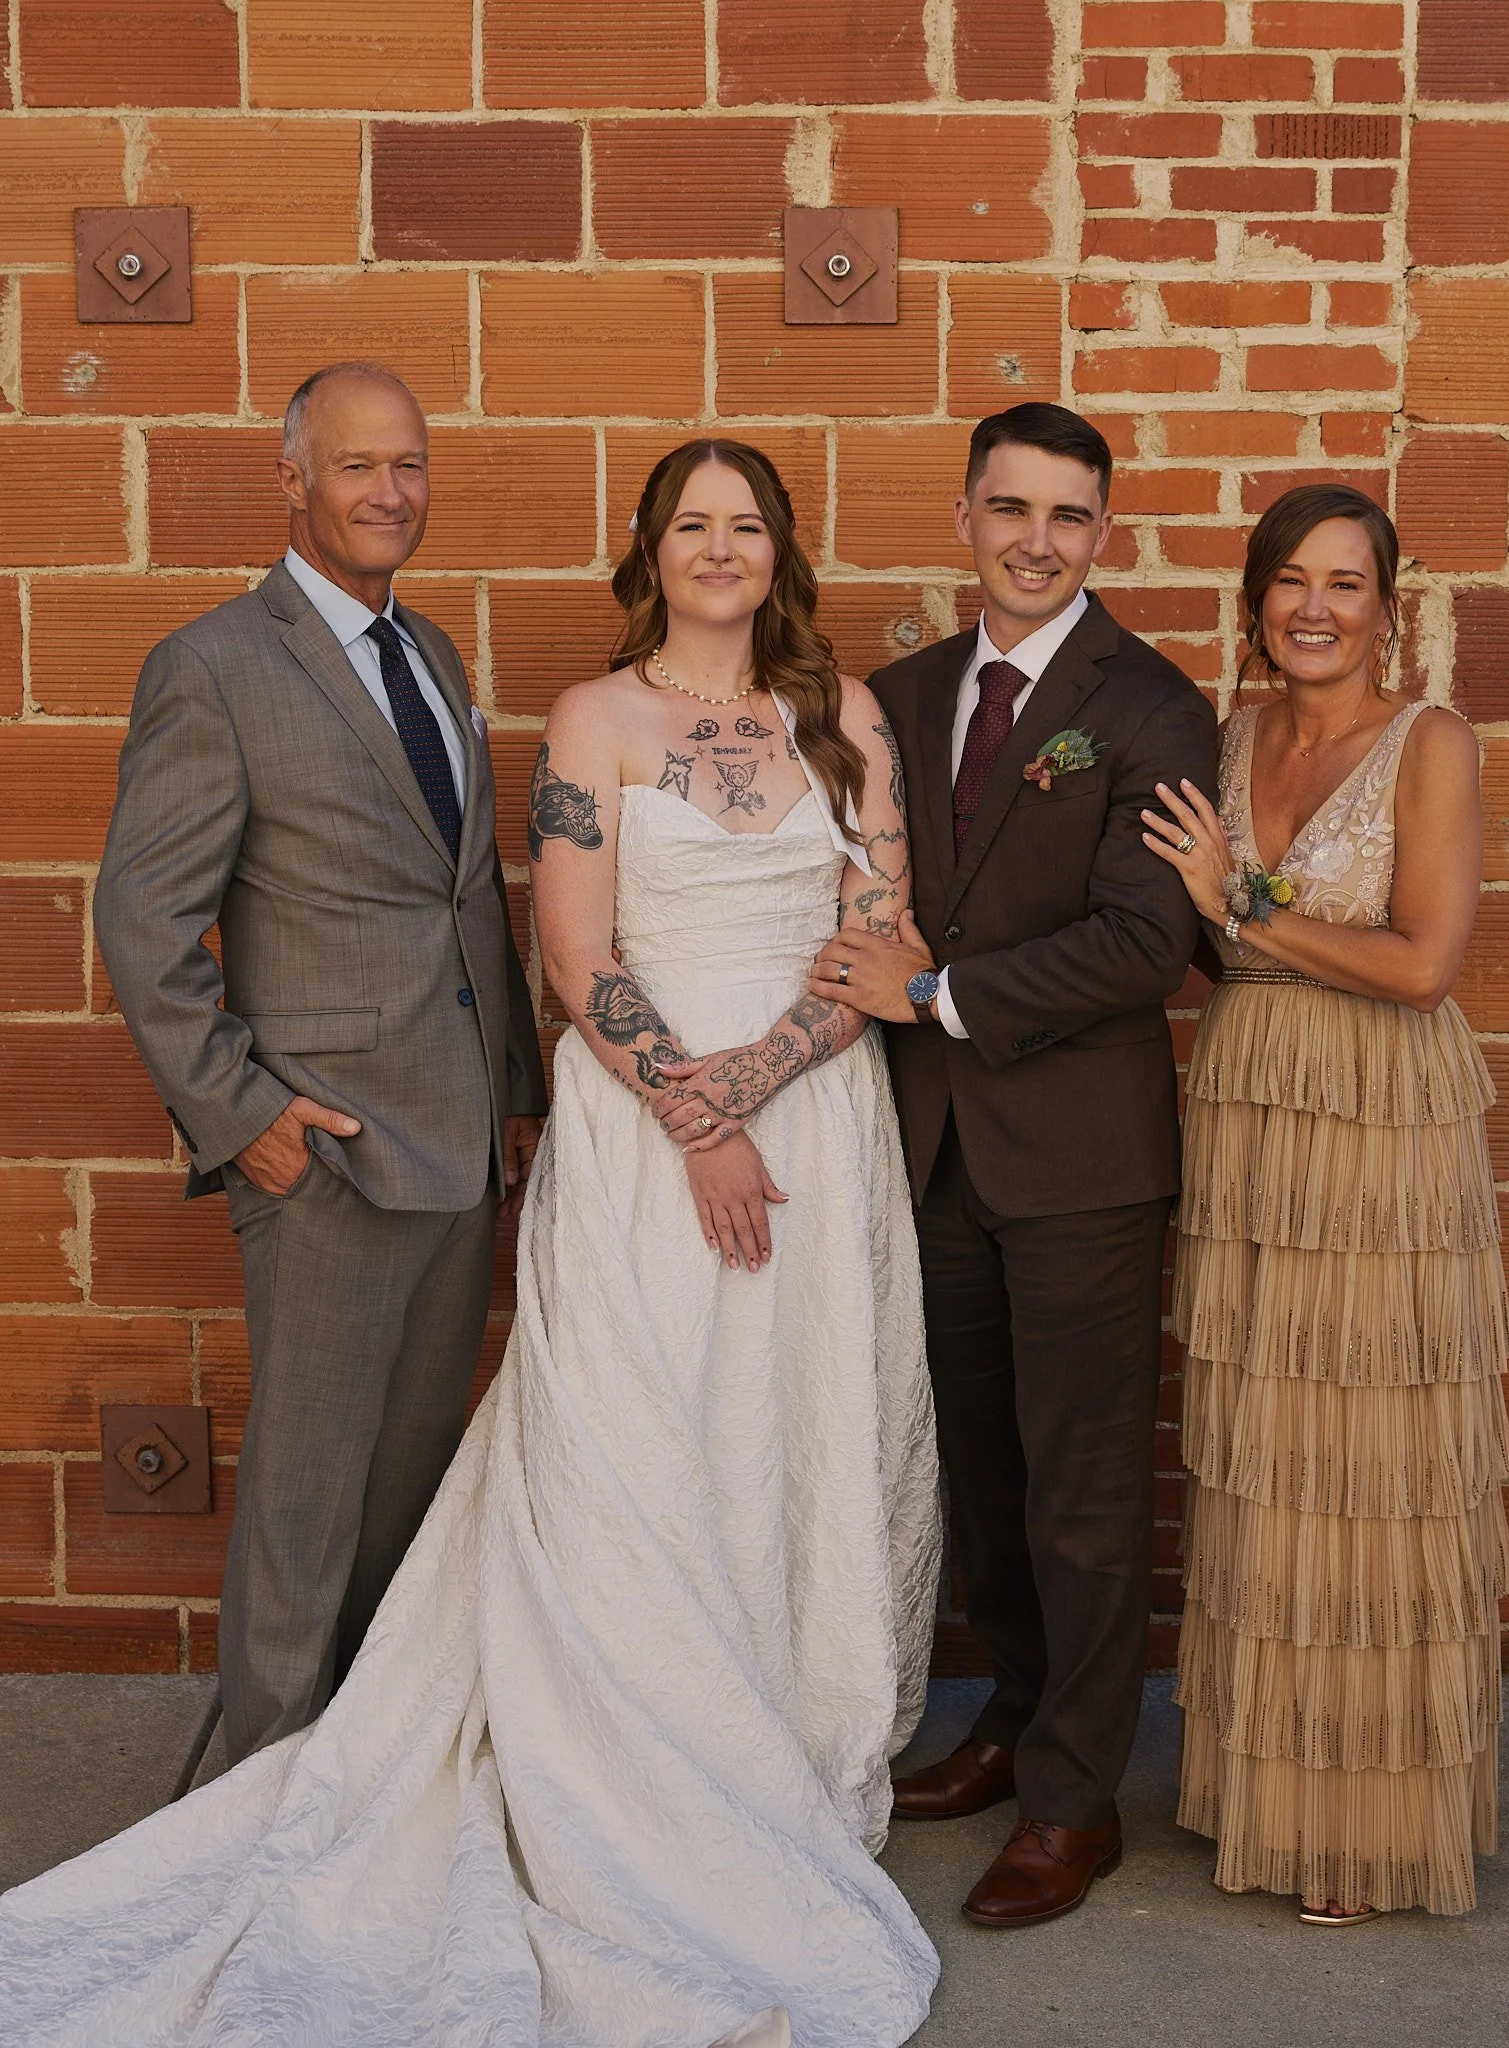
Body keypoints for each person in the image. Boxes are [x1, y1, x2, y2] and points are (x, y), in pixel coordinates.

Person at [0, 437, 939, 2048]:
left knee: (804, 1419)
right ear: (649, 549)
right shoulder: (594, 719)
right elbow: (571, 954)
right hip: (650, 1135)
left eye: (747, 525)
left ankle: (785, 1743)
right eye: (691, 524)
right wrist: (698, 1115)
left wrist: (764, 1083)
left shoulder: (846, 719)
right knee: (648, 1432)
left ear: (784, 551)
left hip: (815, 1123)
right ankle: (618, 1764)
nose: (720, 549)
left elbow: (880, 936)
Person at [93, 360, 546, 1764]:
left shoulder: (433, 652)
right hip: (326, 1154)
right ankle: (261, 1793)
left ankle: (360, 1773)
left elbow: (464, 896)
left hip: (456, 1145)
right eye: (357, 465)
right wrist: (248, 1117)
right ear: (292, 479)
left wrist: (513, 1094)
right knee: (306, 1501)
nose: (389, 492)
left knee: (403, 1493)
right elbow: (143, 920)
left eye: (408, 464)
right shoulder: (215, 667)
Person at [807, 402, 1218, 1927]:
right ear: (965, 518)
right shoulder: (902, 696)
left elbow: (1142, 942)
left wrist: (930, 993)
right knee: (980, 1473)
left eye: (1067, 515)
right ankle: (1012, 1718)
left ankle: (1073, 1800)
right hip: (931, 1154)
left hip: (1079, 1163)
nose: (1035, 541)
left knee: (1083, 1489)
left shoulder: (1151, 706)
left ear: (1101, 532)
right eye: (1009, 508)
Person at [1140, 483, 1509, 1922]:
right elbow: (1198, 947)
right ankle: (1271, 1795)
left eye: (1345, 585)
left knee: (1370, 1453)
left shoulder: (1430, 744)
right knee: (1268, 1452)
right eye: (1290, 581)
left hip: (1379, 1123)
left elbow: (1423, 965)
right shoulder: (1229, 739)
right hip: (1252, 1104)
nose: (1314, 608)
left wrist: (1237, 904)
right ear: (1254, 604)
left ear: (1386, 610)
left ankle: (1369, 1826)